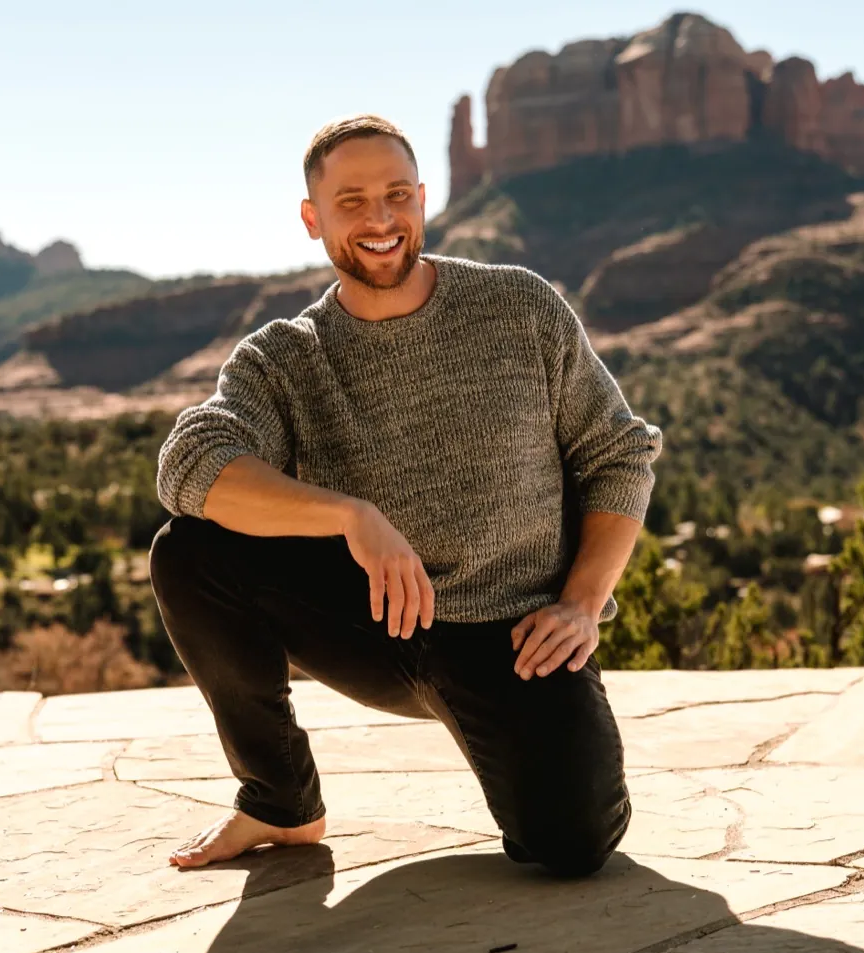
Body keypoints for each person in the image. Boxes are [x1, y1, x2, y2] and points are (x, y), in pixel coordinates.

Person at [149, 113, 662, 878]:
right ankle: (279, 802)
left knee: (572, 846)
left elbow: (618, 453)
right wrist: (351, 516)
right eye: (351, 201)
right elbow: (190, 463)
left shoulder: (519, 307)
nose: (380, 220)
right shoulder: (286, 356)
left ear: (424, 199)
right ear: (312, 218)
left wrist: (583, 603)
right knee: (190, 553)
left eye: (396, 195)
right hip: (375, 621)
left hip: (516, 637)